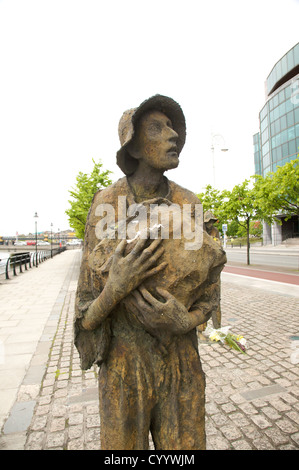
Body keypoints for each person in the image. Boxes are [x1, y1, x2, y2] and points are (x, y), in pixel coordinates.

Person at [74, 95, 226, 450]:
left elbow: (212, 292)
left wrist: (185, 322)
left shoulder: (189, 205)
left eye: (172, 127)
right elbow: (86, 315)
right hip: (124, 367)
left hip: (180, 363)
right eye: (157, 128)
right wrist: (116, 287)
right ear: (135, 147)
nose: (172, 135)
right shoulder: (106, 204)